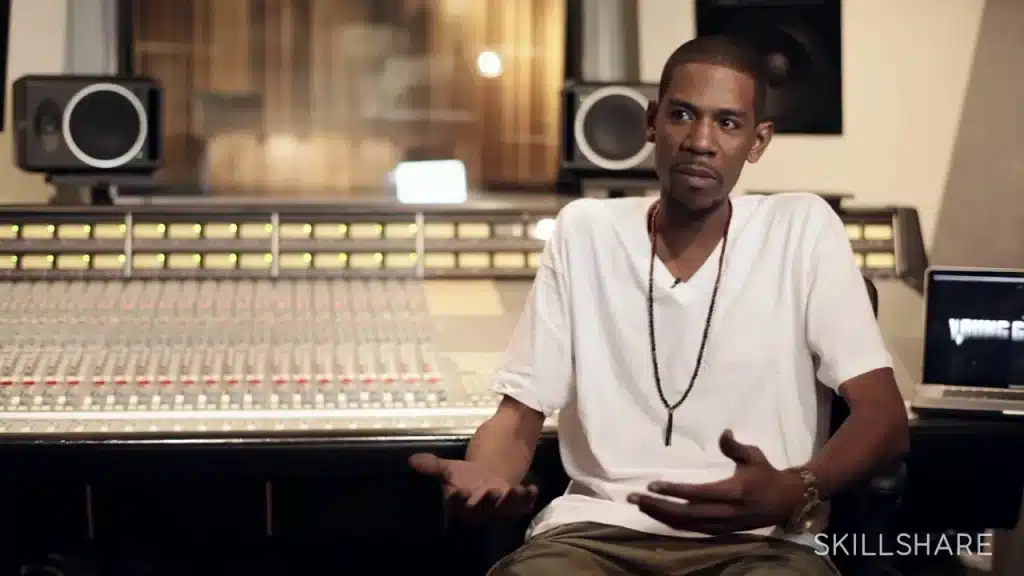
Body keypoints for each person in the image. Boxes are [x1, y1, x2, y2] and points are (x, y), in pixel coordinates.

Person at [410, 35, 910, 575]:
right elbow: (519, 415)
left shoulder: (803, 228)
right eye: (683, 115)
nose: (701, 140)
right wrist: (487, 476)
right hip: (592, 535)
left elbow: (884, 417)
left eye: (728, 123)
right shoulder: (585, 232)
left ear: (758, 141)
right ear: (651, 123)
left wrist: (796, 488)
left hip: (760, 541)